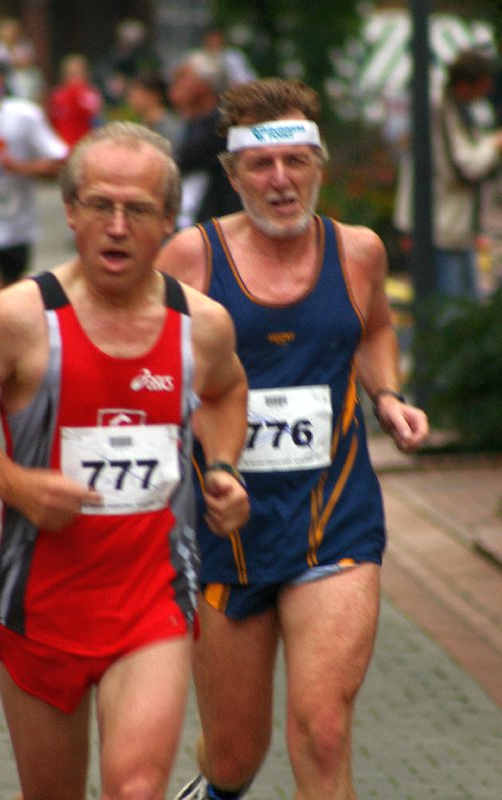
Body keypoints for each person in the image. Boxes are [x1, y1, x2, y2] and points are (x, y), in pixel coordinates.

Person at [155, 77, 429, 800]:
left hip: (332, 516)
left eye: (296, 161)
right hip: (224, 529)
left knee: (323, 727)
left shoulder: (358, 252)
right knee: (235, 756)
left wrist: (387, 394)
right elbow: (152, 368)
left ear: (318, 165)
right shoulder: (189, 259)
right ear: (233, 173)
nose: (280, 180)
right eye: (261, 165)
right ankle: (214, 789)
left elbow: (374, 327)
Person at [0, 120, 249, 800]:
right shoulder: (21, 318)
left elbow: (227, 391)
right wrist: (14, 483)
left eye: (138, 210)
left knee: (136, 787)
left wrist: (223, 468)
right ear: (70, 211)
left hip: (152, 602)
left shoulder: (201, 325)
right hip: (41, 607)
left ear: (169, 220)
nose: (117, 227)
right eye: (100, 205)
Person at [394, 48, 502, 299]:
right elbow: (464, 168)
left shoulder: (459, 108)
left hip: (454, 230)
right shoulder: (440, 109)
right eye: (481, 87)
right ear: (465, 85)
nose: (484, 94)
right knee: (448, 307)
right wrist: (495, 145)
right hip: (440, 230)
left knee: (465, 305)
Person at [0, 47, 68, 304]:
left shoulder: (24, 117)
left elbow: (60, 163)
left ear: (0, 80)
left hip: (16, 228)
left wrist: (23, 168)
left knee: (10, 305)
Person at [168, 50, 241, 229]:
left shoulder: (222, 125)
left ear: (204, 85)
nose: (175, 84)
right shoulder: (191, 123)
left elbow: (183, 160)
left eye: (183, 77)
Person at [48, 53, 104, 147]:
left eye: (77, 73)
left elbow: (96, 120)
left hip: (84, 145)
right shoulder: (57, 96)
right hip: (62, 147)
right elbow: (52, 123)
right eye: (70, 73)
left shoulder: (90, 94)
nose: (74, 78)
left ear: (85, 74)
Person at [126, 70, 182, 151]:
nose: (131, 98)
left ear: (154, 95)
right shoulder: (144, 126)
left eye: (136, 93)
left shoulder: (170, 127)